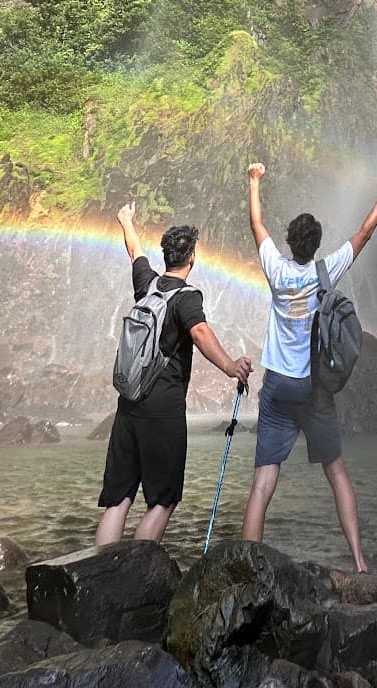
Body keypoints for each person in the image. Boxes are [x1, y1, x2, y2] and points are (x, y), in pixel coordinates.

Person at [241, 162, 377, 572]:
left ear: (290, 242)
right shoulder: (326, 272)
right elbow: (364, 235)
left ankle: (247, 568)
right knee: (337, 474)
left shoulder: (275, 268)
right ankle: (360, 563)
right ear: (317, 244)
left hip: (278, 387)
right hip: (315, 390)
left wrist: (255, 181)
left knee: (263, 481)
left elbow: (256, 224)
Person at [95, 202, 252, 545]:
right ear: (191, 258)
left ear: (165, 257)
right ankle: (137, 574)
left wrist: (125, 220)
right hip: (163, 410)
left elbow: (135, 250)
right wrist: (229, 366)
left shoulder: (147, 285)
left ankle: (99, 577)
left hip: (129, 403)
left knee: (118, 498)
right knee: (163, 500)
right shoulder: (187, 298)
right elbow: (199, 334)